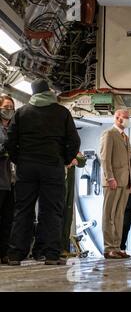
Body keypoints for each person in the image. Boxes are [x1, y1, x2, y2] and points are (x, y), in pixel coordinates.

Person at [6, 79, 80, 265]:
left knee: (23, 210)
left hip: (26, 168)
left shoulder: (21, 113)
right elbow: (74, 141)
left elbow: (10, 142)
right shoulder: (62, 112)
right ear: (48, 91)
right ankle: (51, 254)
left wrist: (19, 160)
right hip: (52, 167)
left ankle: (15, 254)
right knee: (51, 211)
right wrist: (63, 159)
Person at [100, 109, 131, 259]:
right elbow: (105, 158)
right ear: (117, 118)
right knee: (109, 215)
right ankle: (108, 247)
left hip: (124, 182)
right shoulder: (109, 134)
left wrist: (130, 181)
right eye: (125, 117)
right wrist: (110, 178)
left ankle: (117, 246)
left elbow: (128, 163)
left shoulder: (125, 137)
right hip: (112, 182)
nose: (127, 120)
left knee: (119, 216)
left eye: (128, 118)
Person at [61, 152, 86, 258]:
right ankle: (54, 248)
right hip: (57, 183)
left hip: (69, 186)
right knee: (57, 216)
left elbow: (81, 161)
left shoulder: (71, 147)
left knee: (67, 216)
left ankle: (64, 248)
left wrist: (74, 159)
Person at [0, 94, 15, 264]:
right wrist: (5, 148)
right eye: (5, 107)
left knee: (8, 219)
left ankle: (4, 253)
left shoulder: (12, 128)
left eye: (11, 107)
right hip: (0, 180)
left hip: (12, 181)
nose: (8, 110)